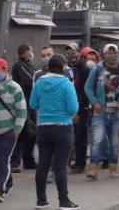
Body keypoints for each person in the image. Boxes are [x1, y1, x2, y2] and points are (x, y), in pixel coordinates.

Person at [30, 54, 79, 210]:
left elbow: (33, 103)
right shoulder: (66, 84)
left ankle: (41, 201)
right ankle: (63, 201)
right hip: (62, 127)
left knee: (43, 165)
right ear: (63, 66)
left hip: (43, 127)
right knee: (60, 166)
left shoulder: (39, 82)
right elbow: (73, 108)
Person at [84, 44, 119, 180]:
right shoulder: (97, 69)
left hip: (117, 112)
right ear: (104, 55)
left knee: (114, 142)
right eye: (108, 53)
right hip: (101, 111)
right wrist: (94, 102)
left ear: (117, 54)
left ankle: (113, 166)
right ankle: (93, 167)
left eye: (114, 53)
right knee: (97, 139)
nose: (111, 55)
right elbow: (87, 88)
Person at [0, 58, 27, 202]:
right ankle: (7, 183)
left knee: (2, 158)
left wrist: (17, 129)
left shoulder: (14, 87)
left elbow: (22, 110)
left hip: (8, 131)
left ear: (5, 70)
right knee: (0, 160)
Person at [65, 43, 92, 174]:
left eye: (73, 52)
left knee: (80, 137)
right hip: (67, 109)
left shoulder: (84, 68)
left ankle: (80, 164)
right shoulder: (67, 68)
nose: (71, 55)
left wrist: (78, 111)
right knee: (68, 137)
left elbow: (86, 91)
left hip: (81, 109)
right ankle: (67, 161)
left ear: (79, 52)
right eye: (68, 52)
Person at [10, 44, 37, 172]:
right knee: (21, 133)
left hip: (31, 103)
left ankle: (29, 161)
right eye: (30, 51)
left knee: (31, 133)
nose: (32, 53)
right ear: (25, 52)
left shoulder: (30, 65)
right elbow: (30, 81)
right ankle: (14, 162)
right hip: (22, 103)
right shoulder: (19, 65)